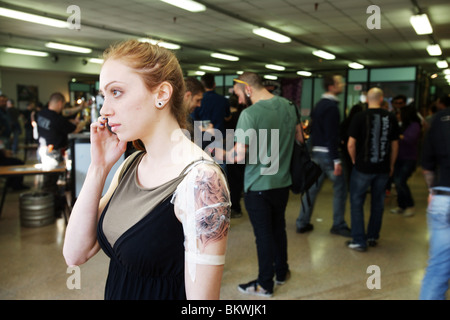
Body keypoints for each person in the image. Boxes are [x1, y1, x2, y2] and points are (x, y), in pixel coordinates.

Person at [63, 39, 231, 300]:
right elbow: (75, 253)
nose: (105, 111)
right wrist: (99, 168)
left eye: (116, 92)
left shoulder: (201, 181)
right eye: (103, 96)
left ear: (162, 95)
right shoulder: (131, 165)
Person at [221, 72, 297, 297]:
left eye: (237, 93)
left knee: (263, 235)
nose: (238, 99)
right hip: (282, 182)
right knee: (278, 229)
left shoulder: (249, 114)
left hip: (258, 185)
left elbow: (238, 155)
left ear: (248, 88)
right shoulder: (289, 105)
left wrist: (217, 151)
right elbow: (299, 139)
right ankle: (281, 272)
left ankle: (265, 283)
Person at [295, 74, 351, 237]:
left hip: (316, 153)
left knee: (312, 189)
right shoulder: (332, 108)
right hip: (328, 154)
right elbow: (331, 135)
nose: (343, 84)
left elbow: (312, 130)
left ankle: (302, 222)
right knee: (341, 188)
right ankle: (338, 224)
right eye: (340, 82)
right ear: (331, 87)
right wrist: (336, 160)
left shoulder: (319, 105)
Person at [346, 88, 399, 252]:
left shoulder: (359, 117)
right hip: (382, 168)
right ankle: (372, 236)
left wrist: (354, 160)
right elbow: (395, 144)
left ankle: (359, 240)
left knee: (356, 202)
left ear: (367, 100)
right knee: (378, 203)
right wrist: (391, 165)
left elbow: (350, 144)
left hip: (362, 167)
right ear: (382, 99)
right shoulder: (391, 117)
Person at [36, 92, 88, 216]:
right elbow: (74, 130)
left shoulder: (42, 113)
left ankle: (49, 206)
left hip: (42, 150)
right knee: (51, 182)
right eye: (63, 105)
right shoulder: (57, 119)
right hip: (52, 153)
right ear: (60, 103)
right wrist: (84, 123)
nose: (63, 108)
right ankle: (50, 209)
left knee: (48, 180)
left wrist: (78, 110)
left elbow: (63, 116)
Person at [419, 103, 450, 300]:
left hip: (443, 198)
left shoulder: (440, 118)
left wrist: (432, 191)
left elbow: (427, 167)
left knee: (437, 270)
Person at [390, 105, 422, 217]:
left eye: (400, 113)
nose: (398, 115)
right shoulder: (403, 125)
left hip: (409, 158)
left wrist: (398, 136)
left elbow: (410, 139)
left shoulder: (415, 125)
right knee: (397, 182)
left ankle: (410, 205)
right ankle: (401, 205)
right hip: (399, 157)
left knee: (400, 181)